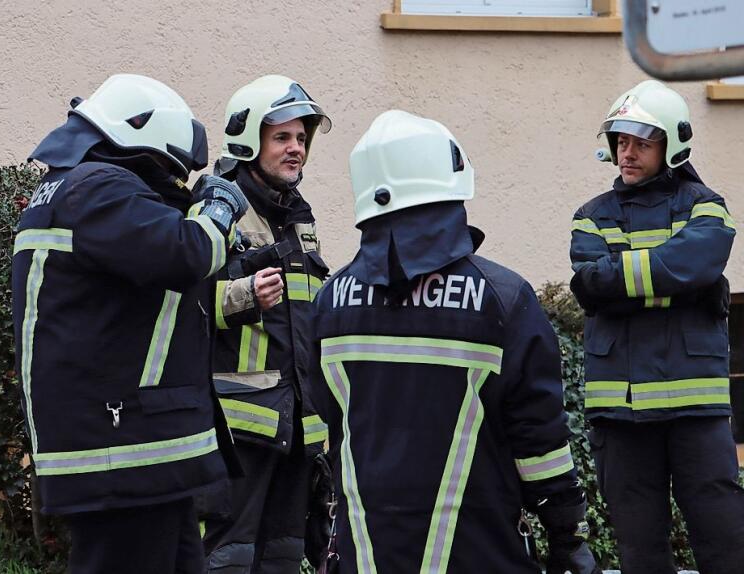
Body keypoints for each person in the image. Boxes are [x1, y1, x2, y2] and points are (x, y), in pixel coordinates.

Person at [310, 110, 600, 573]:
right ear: (450, 186)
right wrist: (567, 534)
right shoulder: (503, 300)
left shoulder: (330, 302)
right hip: (479, 553)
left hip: (363, 555)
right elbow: (539, 441)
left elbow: (329, 420)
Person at [13, 73, 247, 574]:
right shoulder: (99, 188)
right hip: (121, 451)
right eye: (170, 170)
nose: (172, 182)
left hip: (131, 452)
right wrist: (219, 207)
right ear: (146, 138)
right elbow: (188, 251)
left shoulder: (71, 188)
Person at [570, 79, 744, 574]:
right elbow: (589, 281)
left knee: (725, 540)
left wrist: (623, 281)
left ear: (672, 145)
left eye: (641, 143)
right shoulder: (591, 216)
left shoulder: (705, 205)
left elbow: (699, 262)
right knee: (639, 551)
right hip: (620, 412)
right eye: (621, 142)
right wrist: (672, 283)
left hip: (694, 407)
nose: (627, 153)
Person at [198, 74, 332, 573]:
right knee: (229, 557)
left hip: (296, 423)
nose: (296, 148)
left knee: (283, 552)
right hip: (238, 427)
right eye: (282, 137)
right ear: (248, 139)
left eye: (301, 138)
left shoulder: (300, 216)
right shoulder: (218, 209)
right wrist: (244, 296)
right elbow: (183, 305)